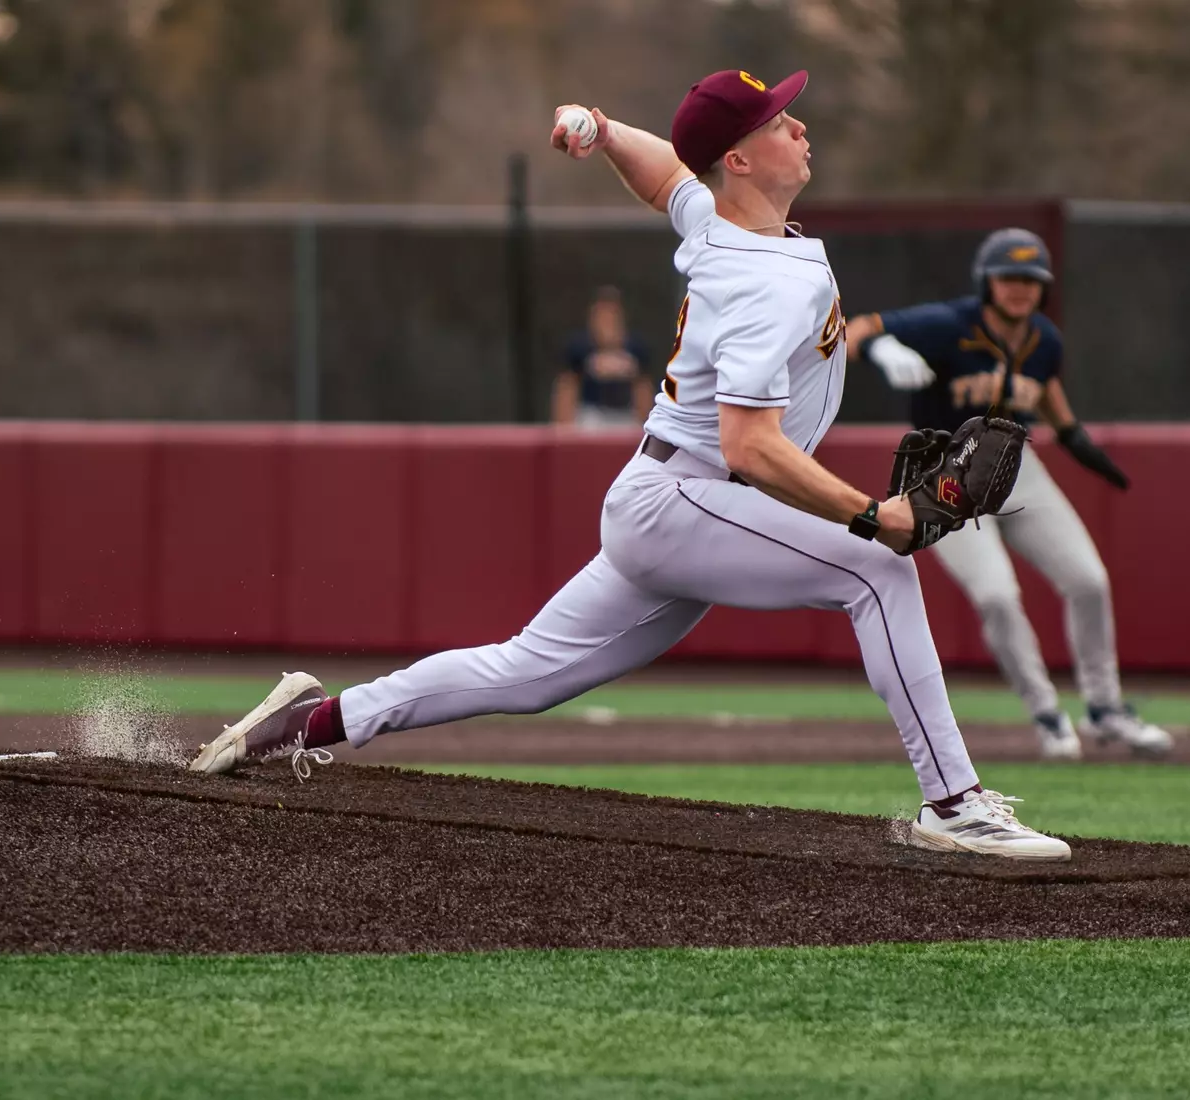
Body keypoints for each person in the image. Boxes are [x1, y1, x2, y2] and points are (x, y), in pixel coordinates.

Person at [188, 71, 1072, 861]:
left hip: (670, 500)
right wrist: (872, 514)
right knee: (878, 569)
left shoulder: (727, 225)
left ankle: (305, 723)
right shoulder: (765, 280)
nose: (798, 127)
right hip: (691, 497)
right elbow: (749, 447)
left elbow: (667, 177)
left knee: (525, 674)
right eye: (779, 121)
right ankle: (953, 802)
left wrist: (606, 131)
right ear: (741, 158)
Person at [845, 229, 1173, 761]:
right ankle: (1047, 714)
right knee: (997, 596)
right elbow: (860, 326)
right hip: (942, 474)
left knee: (1089, 580)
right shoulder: (948, 324)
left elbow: (1053, 407)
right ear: (987, 281)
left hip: (1015, 467)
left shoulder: (1044, 339)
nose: (1020, 289)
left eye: (1032, 280)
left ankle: (1105, 709)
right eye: (1010, 278)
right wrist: (881, 347)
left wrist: (1086, 450)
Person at [553, 285, 655, 429]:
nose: (607, 320)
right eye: (602, 315)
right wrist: (563, 429)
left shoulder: (635, 348)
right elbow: (566, 387)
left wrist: (646, 424)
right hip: (590, 415)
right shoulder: (579, 348)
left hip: (626, 415)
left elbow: (643, 388)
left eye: (612, 315)